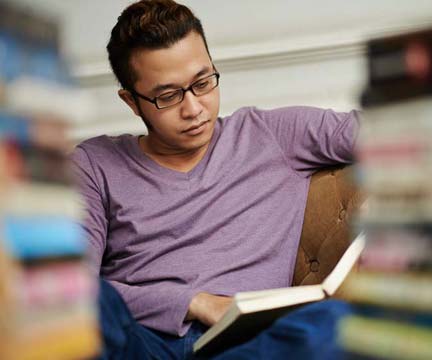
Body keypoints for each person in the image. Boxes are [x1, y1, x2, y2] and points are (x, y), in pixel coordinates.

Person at [71, 0, 359, 358]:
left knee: (335, 322)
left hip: (244, 346)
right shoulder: (94, 164)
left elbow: (390, 131)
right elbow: (72, 286)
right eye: (168, 96)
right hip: (142, 345)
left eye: (203, 82)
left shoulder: (272, 135)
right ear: (132, 101)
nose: (193, 109)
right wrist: (192, 303)